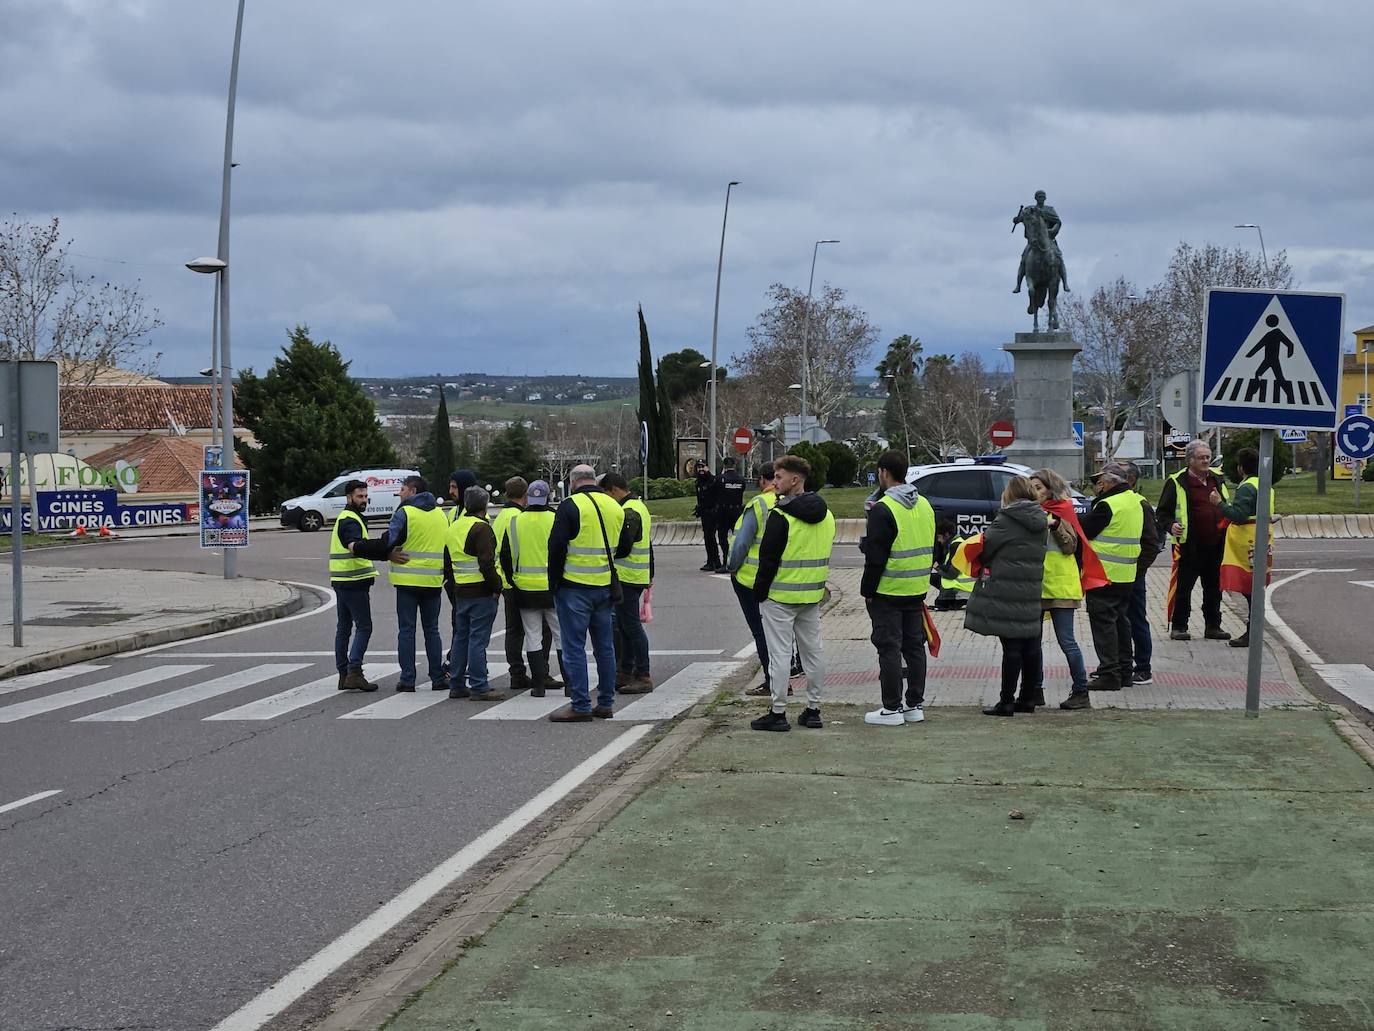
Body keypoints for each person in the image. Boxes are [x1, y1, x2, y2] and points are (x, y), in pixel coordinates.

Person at [749, 454, 835, 732]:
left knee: (780, 655)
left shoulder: (780, 516)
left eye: (779, 477)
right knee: (814, 652)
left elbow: (768, 561)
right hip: (811, 596)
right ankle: (813, 709)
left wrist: (759, 592)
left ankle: (778, 712)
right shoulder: (828, 515)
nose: (774, 482)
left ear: (794, 480)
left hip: (779, 598)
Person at [547, 464, 635, 722]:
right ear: (593, 480)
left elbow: (556, 547)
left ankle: (581, 704)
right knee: (604, 647)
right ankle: (606, 703)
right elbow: (625, 546)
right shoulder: (614, 507)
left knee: (574, 647)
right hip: (604, 587)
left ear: (573, 482)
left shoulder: (570, 505)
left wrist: (554, 582)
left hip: (574, 587)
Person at [860, 450, 936, 727]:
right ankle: (914, 705)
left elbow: (876, 557)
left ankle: (891, 708)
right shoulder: (925, 504)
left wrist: (867, 590)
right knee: (915, 646)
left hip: (888, 589)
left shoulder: (883, 509)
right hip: (916, 587)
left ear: (883, 472)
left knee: (888, 647)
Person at [963, 476, 1047, 717]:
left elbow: (986, 548)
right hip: (1031, 589)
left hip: (1006, 591)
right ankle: (1028, 698)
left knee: (1011, 647)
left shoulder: (1006, 519)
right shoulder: (1041, 519)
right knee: (1031, 646)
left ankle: (1006, 701)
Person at [1028, 468, 1107, 711]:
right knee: (1033, 641)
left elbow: (1071, 546)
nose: (1034, 492)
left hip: (1061, 585)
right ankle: (1035, 689)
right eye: (1031, 487)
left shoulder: (1062, 511)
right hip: (1036, 585)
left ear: (1050, 490)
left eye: (1039, 488)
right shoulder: (1029, 513)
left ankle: (1081, 690)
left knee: (1066, 640)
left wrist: (1055, 525)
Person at [376, 475, 449, 692]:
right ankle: (437, 677)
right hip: (433, 581)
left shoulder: (404, 513)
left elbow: (389, 540)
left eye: (402, 489)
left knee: (406, 630)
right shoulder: (440, 514)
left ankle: (408, 679)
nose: (400, 493)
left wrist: (382, 551)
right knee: (432, 630)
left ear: (413, 491)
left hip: (407, 581)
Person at [1155, 440, 1231, 642]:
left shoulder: (1217, 479)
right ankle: (1180, 626)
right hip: (1189, 545)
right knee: (1184, 588)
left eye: (1207, 457)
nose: (1206, 461)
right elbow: (1162, 513)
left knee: (1214, 587)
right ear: (1190, 460)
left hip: (1216, 543)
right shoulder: (1177, 481)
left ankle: (1213, 626)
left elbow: (1225, 503)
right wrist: (1171, 525)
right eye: (1201, 457)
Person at [1081, 463, 1145, 694]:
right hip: (1127, 575)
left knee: (1104, 625)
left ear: (1110, 482)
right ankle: (1125, 672)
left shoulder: (1107, 504)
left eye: (1099, 482)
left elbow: (1083, 532)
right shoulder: (1135, 501)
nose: (1097, 487)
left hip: (1103, 574)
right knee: (1121, 623)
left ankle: (1109, 674)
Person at [500, 479, 564, 697]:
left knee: (532, 635)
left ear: (529, 498)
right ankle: (571, 684)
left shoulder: (516, 522)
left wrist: (514, 580)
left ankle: (538, 686)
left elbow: (505, 556)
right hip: (552, 588)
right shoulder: (555, 519)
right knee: (560, 635)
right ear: (547, 497)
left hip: (525, 589)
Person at [726, 462, 784, 698]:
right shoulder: (789, 501)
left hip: (751, 580)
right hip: (781, 578)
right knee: (781, 632)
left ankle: (773, 681)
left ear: (762, 480)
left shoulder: (758, 504)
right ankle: (784, 677)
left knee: (761, 632)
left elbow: (741, 543)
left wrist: (731, 567)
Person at [444, 486, 505, 700]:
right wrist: (497, 587)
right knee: (478, 640)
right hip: (481, 592)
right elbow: (487, 563)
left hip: (461, 590)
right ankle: (479, 686)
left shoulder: (454, 526)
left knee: (461, 638)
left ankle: (457, 683)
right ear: (484, 505)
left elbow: (448, 563)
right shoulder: (482, 528)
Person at [329, 479, 382, 692]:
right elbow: (355, 547)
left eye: (366, 496)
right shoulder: (350, 520)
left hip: (342, 581)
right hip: (353, 581)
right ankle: (354, 672)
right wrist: (384, 551)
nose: (364, 500)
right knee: (364, 626)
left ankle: (343, 674)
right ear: (349, 497)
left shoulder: (346, 517)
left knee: (343, 627)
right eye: (360, 496)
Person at [603, 472, 654, 694]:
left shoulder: (629, 511)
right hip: (633, 575)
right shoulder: (637, 506)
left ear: (614, 489)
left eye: (606, 493)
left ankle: (642, 674)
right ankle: (626, 671)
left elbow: (624, 545)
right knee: (624, 626)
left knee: (631, 627)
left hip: (628, 576)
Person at [1212, 447, 1265, 648]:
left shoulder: (1247, 487)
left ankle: (1253, 632)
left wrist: (1219, 504)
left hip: (1247, 543)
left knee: (1249, 588)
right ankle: (1254, 630)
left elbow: (1239, 515)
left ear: (1241, 468)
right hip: (1261, 540)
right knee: (1255, 587)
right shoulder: (1264, 484)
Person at [1123, 462, 1161, 684]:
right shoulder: (1111, 502)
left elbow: (1151, 543)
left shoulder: (1141, 504)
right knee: (1120, 620)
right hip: (1115, 573)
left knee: (1136, 619)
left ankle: (1143, 667)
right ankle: (1122, 664)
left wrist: (1139, 570)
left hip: (1133, 573)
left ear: (1130, 480)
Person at [714, 458, 746, 573]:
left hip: (723, 512)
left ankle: (726, 561)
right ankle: (737, 561)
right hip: (737, 511)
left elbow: (715, 493)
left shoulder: (719, 479)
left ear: (724, 466)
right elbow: (742, 491)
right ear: (735, 465)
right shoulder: (741, 479)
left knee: (723, 537)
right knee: (737, 537)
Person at [694, 461, 722, 571]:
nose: (701, 469)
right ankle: (710, 561)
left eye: (703, 467)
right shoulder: (698, 482)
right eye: (698, 467)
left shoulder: (713, 480)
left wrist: (715, 509)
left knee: (711, 537)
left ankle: (717, 561)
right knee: (707, 538)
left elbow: (718, 496)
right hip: (704, 513)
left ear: (707, 467)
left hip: (713, 513)